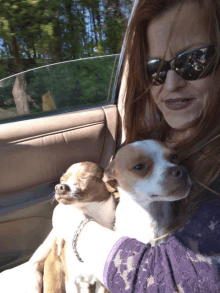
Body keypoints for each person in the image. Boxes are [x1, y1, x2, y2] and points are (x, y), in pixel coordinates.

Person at [2, 0, 220, 292]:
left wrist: (75, 228)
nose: (171, 83)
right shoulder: (154, 139)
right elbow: (101, 203)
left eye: (195, 61)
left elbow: (168, 280)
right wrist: (37, 262)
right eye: (154, 69)